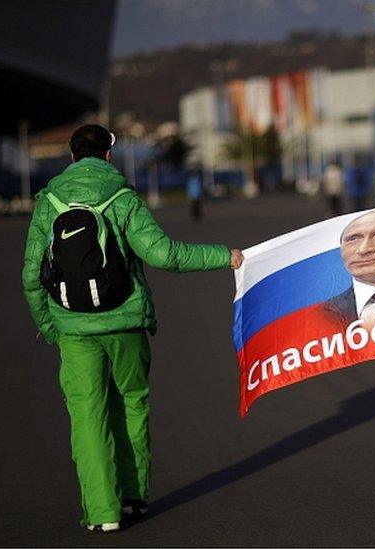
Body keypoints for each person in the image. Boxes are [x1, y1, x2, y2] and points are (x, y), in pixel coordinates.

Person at [21, 124, 245, 532]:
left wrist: (48, 325)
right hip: (125, 319)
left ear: (72, 157)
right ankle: (133, 498)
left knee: (87, 416)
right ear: (108, 156)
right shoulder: (122, 197)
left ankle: (102, 513)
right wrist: (224, 256)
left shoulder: (48, 202)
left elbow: (31, 276)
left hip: (73, 327)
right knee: (132, 401)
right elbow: (165, 255)